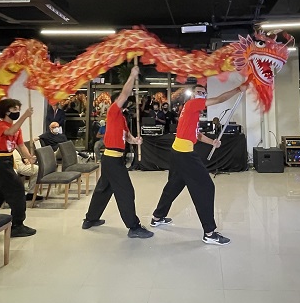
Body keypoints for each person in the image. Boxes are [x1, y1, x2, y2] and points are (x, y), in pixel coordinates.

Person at [151, 83, 245, 245]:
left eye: (204, 92)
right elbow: (219, 99)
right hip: (184, 154)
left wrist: (212, 142)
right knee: (206, 187)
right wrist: (238, 89)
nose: (202, 94)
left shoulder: (190, 110)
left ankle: (157, 217)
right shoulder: (193, 104)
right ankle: (209, 233)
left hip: (177, 151)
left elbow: (197, 134)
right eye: (199, 92)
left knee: (173, 186)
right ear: (193, 94)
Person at [82, 66, 153, 239]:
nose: (126, 102)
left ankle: (90, 219)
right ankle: (134, 227)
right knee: (126, 192)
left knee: (103, 189)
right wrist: (132, 75)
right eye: (123, 100)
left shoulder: (121, 118)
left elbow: (126, 136)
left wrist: (135, 141)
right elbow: (125, 93)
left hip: (112, 160)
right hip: (112, 160)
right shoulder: (113, 111)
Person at [0, 99, 37, 237]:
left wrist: (29, 157)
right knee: (17, 190)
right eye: (15, 109)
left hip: (8, 160)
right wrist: (25, 116)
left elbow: (21, 145)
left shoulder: (17, 128)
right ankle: (17, 225)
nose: (18, 112)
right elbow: (10, 131)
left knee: (0, 193)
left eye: (19, 109)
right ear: (6, 111)